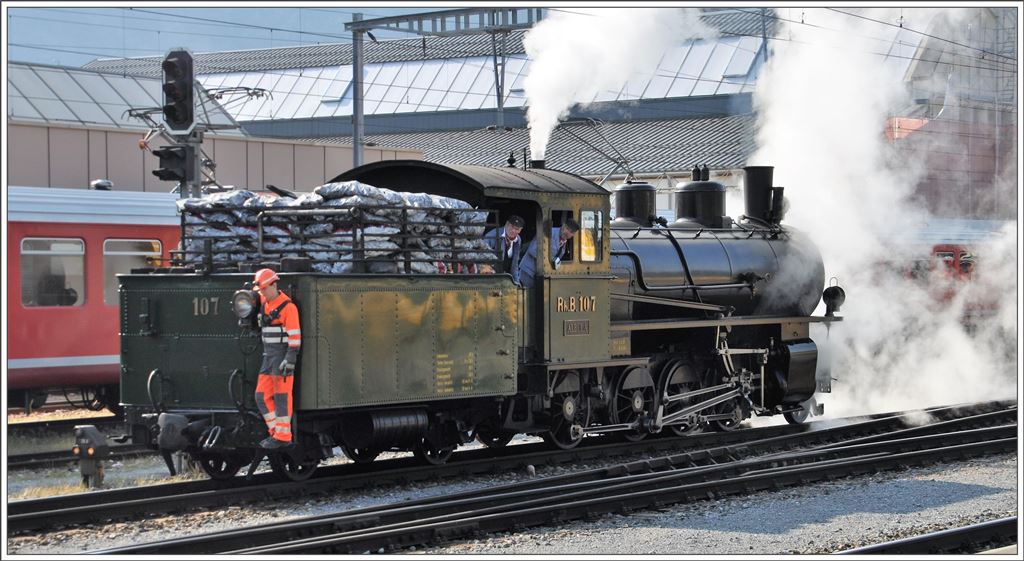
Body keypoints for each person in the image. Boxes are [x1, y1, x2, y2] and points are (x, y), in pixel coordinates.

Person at [252, 268, 301, 449]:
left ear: (274, 285)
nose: (262, 293)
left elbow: (294, 336)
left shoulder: (288, 308)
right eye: (260, 290)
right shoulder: (265, 303)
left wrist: (290, 358)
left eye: (264, 289)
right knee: (261, 396)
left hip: (281, 358)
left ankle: (283, 436)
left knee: (281, 397)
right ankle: (276, 433)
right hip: (268, 357)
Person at [518, 218, 580, 288]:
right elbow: (532, 250)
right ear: (563, 226)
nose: (568, 233)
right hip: (529, 271)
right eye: (567, 229)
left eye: (571, 232)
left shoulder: (564, 243)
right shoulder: (548, 232)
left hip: (541, 275)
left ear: (573, 235)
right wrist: (550, 259)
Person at [483, 215, 525, 284]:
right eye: (511, 226)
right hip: (490, 276)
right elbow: (481, 256)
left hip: (505, 278)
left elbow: (515, 265)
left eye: (517, 229)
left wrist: (517, 283)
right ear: (506, 224)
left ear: (520, 230)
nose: (513, 230)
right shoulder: (492, 235)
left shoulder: (518, 240)